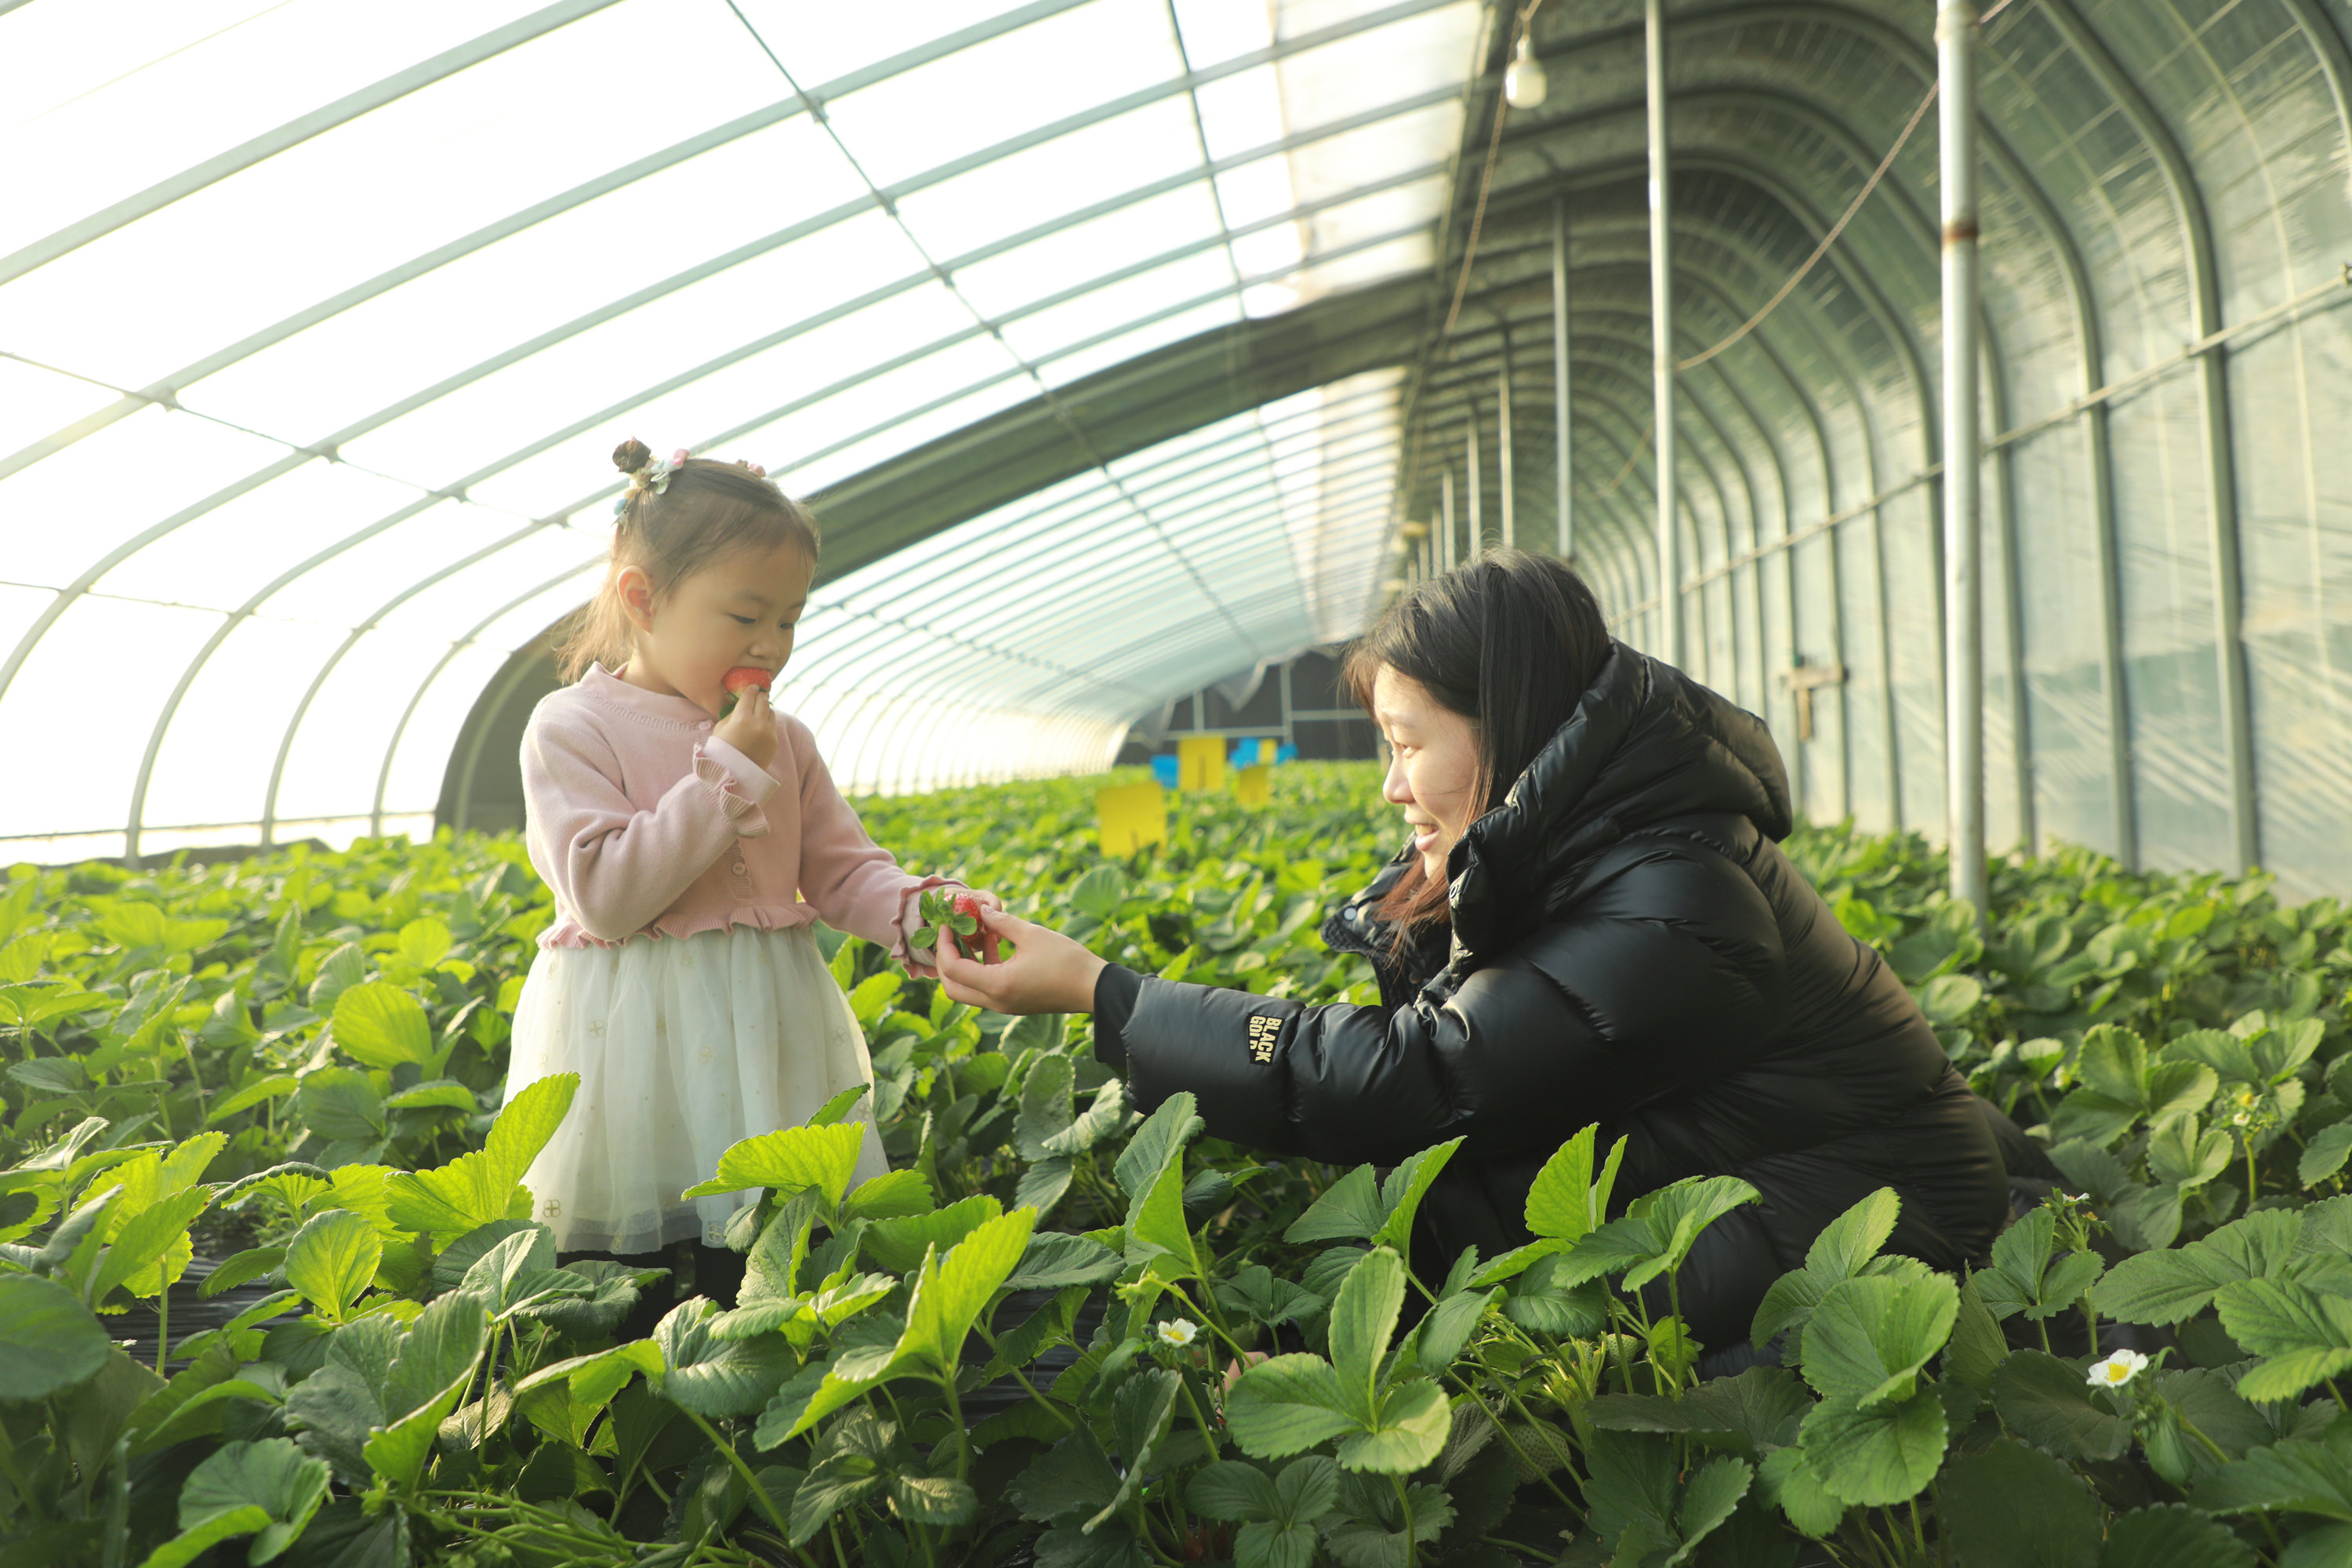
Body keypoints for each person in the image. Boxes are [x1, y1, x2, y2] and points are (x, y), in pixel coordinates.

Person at [936, 550, 2008, 1367]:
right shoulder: (1590, 843)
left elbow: (1428, 1075)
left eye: (1407, 743)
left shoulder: (1678, 903)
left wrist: (1102, 992)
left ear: (1518, 726)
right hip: (1784, 1184)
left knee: (1564, 1364)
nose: (1391, 786)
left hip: (1869, 1234)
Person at [506, 438, 994, 1316]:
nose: (771, 645)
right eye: (745, 617)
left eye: (790, 618)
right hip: (628, 1040)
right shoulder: (571, 727)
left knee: (762, 1254)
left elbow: (842, 871)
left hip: (760, 1024)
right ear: (643, 598)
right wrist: (725, 772)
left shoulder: (787, 738)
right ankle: (642, 1421)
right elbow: (608, 899)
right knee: (630, 1260)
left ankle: (750, 1408)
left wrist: (925, 915)